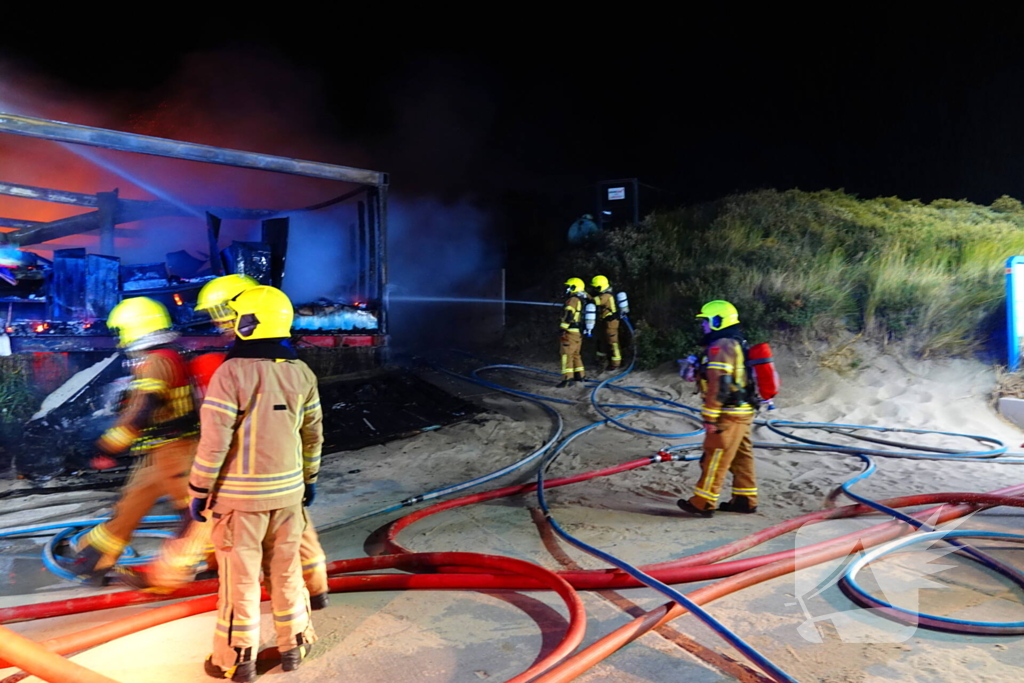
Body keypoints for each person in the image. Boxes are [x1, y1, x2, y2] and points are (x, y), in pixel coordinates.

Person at [190, 285, 320, 681]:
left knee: (239, 580)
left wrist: (198, 490)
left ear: (249, 323)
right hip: (289, 496)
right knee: (287, 572)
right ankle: (294, 646)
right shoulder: (302, 373)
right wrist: (309, 479)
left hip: (239, 502)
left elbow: (215, 441)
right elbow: (312, 435)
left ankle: (236, 658)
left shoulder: (231, 373)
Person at [62, 297, 201, 585]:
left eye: (121, 330)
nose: (119, 338)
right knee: (130, 507)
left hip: (176, 451)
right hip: (159, 452)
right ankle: (94, 558)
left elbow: (145, 408)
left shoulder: (159, 360)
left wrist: (109, 445)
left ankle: (174, 573)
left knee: (194, 516)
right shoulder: (161, 358)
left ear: (134, 328)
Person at [677, 300, 758, 517]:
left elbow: (719, 384)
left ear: (718, 320)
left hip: (728, 413)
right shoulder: (735, 342)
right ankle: (744, 499)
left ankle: (702, 502)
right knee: (742, 457)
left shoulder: (721, 345)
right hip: (743, 410)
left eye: (706, 321)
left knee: (715, 456)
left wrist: (710, 416)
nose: (703, 326)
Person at [558, 277, 588, 387]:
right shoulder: (581, 299)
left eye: (568, 286)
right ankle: (580, 376)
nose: (567, 289)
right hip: (578, 332)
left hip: (570, 332)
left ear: (574, 287)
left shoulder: (573, 300)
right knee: (576, 355)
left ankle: (567, 379)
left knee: (566, 355)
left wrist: (563, 329)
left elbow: (569, 315)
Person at [589, 275, 622, 372]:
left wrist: (585, 295)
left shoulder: (606, 295)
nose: (595, 289)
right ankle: (601, 361)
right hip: (606, 322)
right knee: (603, 341)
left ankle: (616, 364)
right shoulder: (606, 293)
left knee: (613, 342)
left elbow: (596, 301)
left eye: (596, 287)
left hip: (611, 323)